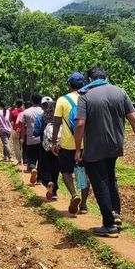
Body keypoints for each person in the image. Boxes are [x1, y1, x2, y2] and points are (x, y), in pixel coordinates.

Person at [75, 66, 135, 237]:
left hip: (94, 148)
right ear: (105, 77)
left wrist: (78, 149)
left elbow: (79, 124)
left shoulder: (85, 96)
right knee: (110, 177)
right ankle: (115, 213)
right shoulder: (120, 92)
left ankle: (109, 225)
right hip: (115, 145)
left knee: (99, 182)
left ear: (90, 80)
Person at [52, 72, 90, 215]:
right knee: (84, 173)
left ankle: (74, 195)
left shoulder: (62, 100)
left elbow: (56, 122)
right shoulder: (87, 98)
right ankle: (84, 205)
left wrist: (54, 142)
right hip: (85, 144)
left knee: (66, 171)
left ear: (69, 85)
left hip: (68, 144)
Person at [34, 97, 60, 200]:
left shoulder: (41, 117)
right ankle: (54, 192)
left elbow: (36, 132)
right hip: (58, 147)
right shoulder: (60, 117)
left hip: (44, 146)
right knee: (56, 168)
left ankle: (48, 182)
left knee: (45, 167)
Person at [20, 94, 43, 184]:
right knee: (40, 159)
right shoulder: (43, 111)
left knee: (30, 157)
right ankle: (40, 179)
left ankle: (33, 168)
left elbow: (22, 127)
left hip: (30, 138)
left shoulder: (26, 112)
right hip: (41, 139)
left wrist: (22, 138)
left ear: (32, 101)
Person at [10, 99, 24, 164]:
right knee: (24, 145)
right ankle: (24, 158)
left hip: (16, 130)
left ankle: (19, 159)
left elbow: (12, 122)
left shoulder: (13, 112)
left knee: (16, 145)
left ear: (16, 104)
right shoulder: (24, 111)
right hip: (24, 131)